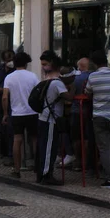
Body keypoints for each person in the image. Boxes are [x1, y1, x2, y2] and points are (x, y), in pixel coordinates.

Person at [85, 50, 110, 189]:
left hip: (100, 116)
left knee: (105, 148)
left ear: (94, 63)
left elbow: (88, 93)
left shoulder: (93, 77)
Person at [36, 54, 73, 185]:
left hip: (43, 117)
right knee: (49, 148)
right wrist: (73, 88)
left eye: (45, 64)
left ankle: (42, 173)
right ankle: (46, 175)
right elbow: (68, 97)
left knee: (44, 146)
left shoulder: (46, 80)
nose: (43, 67)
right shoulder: (57, 83)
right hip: (50, 119)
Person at [2, 52, 39, 178]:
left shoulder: (9, 77)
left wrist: (6, 113)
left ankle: (16, 169)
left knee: (17, 140)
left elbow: (5, 97)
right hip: (32, 112)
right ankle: (38, 166)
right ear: (26, 63)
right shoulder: (33, 76)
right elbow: (38, 94)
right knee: (34, 139)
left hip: (17, 113)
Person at [68, 57, 93, 171]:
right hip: (89, 111)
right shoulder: (92, 76)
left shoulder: (75, 79)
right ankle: (88, 162)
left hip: (76, 110)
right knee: (87, 137)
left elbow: (70, 95)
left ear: (80, 67)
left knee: (77, 137)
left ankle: (78, 162)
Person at [0, 50, 15, 165]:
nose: (9, 62)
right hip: (0, 103)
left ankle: (11, 154)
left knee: (11, 129)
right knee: (3, 128)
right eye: (7, 59)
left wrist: (1, 89)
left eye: (11, 59)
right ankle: (4, 152)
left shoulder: (16, 71)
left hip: (13, 103)